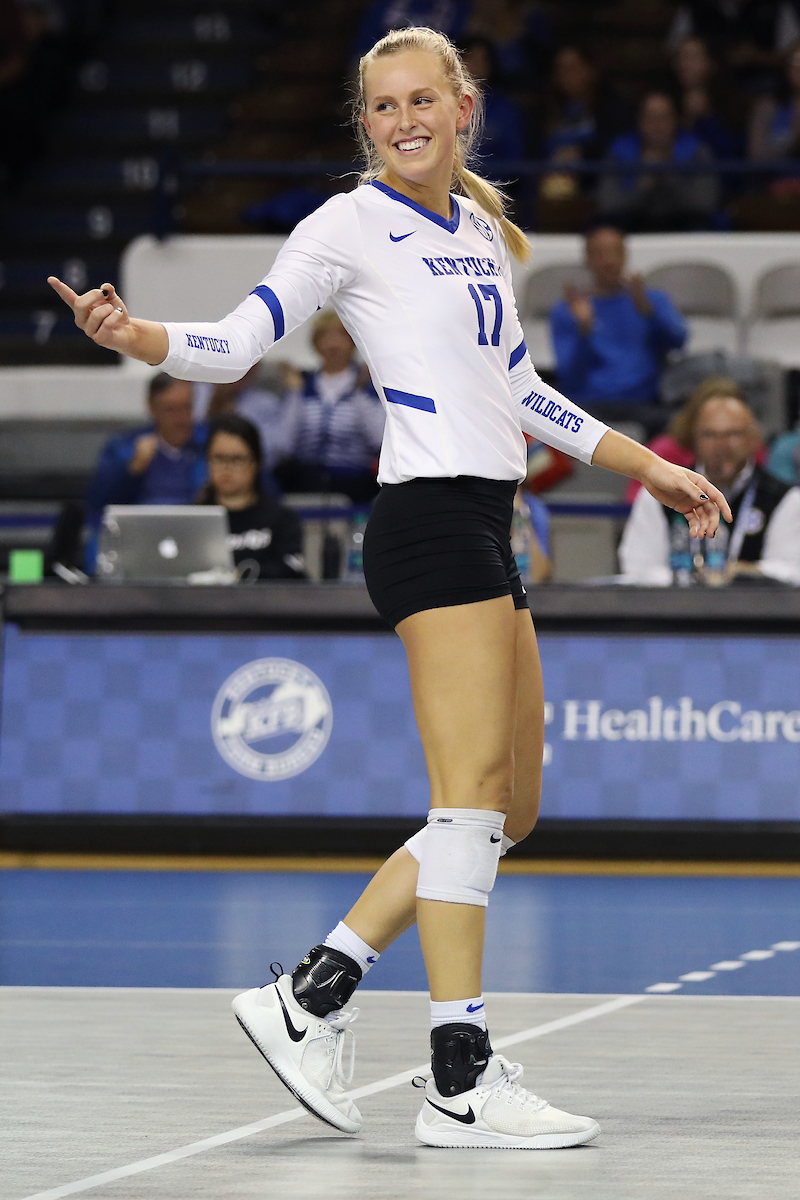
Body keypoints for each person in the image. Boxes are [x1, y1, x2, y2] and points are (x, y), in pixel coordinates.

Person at [48, 26, 729, 1151]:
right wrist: (139, 335)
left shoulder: (480, 230)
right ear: (364, 122)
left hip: (486, 523)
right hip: (426, 524)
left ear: (463, 107)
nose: (403, 120)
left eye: (422, 99)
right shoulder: (346, 224)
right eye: (382, 105)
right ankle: (460, 1076)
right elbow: (237, 343)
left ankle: (310, 992)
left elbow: (519, 388)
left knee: (511, 809)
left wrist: (645, 463)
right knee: (468, 807)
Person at [620, 390, 800, 584]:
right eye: (710, 435)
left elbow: (792, 571)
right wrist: (694, 579)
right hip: (675, 602)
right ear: (693, 440)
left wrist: (741, 573)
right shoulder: (660, 493)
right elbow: (637, 568)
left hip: (754, 603)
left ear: (753, 438)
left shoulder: (785, 498)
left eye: (732, 434)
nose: (721, 445)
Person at [550, 225, 687, 432]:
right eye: (600, 254)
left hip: (643, 402)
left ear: (625, 256)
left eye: (616, 253)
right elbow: (570, 375)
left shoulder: (650, 300)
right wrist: (584, 329)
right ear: (587, 260)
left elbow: (678, 342)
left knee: (679, 425)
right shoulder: (569, 309)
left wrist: (649, 313)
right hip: (587, 405)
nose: (610, 262)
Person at [83, 372, 207, 572]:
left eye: (186, 408)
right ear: (152, 409)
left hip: (197, 541)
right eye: (171, 409)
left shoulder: (210, 446)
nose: (181, 418)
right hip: (134, 543)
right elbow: (97, 504)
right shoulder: (123, 448)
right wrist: (132, 471)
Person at [277, 311, 385, 504]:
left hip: (356, 482)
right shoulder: (303, 386)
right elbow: (285, 443)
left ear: (353, 342)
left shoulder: (369, 385)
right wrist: (294, 394)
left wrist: (359, 394)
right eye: (325, 337)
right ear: (315, 344)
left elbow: (379, 439)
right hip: (307, 481)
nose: (333, 345)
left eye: (341, 337)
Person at [199, 413, 305, 580]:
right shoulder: (193, 520)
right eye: (219, 458)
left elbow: (292, 572)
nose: (226, 468)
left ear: (257, 462)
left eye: (237, 459)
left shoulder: (282, 520)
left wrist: (237, 576)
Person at [597, 91, 721, 232]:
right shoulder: (619, 151)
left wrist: (670, 178)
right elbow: (608, 204)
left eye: (664, 117)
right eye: (651, 117)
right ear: (640, 121)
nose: (657, 125)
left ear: (676, 119)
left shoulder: (697, 150)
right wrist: (644, 184)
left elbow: (706, 204)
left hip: (687, 231)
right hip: (630, 230)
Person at [671, 36, 742, 159]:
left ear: (711, 63)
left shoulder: (730, 102)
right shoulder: (665, 101)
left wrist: (706, 119)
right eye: (680, 57)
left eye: (692, 57)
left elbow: (734, 150)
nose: (684, 64)